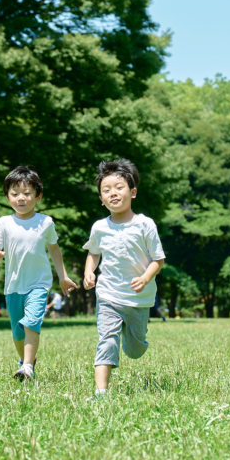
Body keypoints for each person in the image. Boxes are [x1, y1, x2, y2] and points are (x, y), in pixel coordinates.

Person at [83, 159, 165, 400]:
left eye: (118, 187)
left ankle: (134, 342)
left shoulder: (145, 224)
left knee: (136, 350)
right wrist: (89, 271)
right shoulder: (99, 227)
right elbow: (93, 253)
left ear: (133, 192)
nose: (112, 193)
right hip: (108, 295)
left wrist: (146, 277)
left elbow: (158, 260)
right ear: (101, 198)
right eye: (106, 190)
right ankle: (101, 392)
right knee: (107, 340)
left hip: (138, 299)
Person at [0, 166, 77, 382]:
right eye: (14, 193)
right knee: (17, 333)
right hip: (14, 286)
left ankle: (27, 367)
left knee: (31, 322)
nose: (21, 198)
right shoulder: (4, 223)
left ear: (38, 196)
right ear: (7, 196)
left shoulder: (45, 222)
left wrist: (63, 276)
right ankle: (27, 360)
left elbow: (54, 249)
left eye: (27, 193)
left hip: (39, 283)